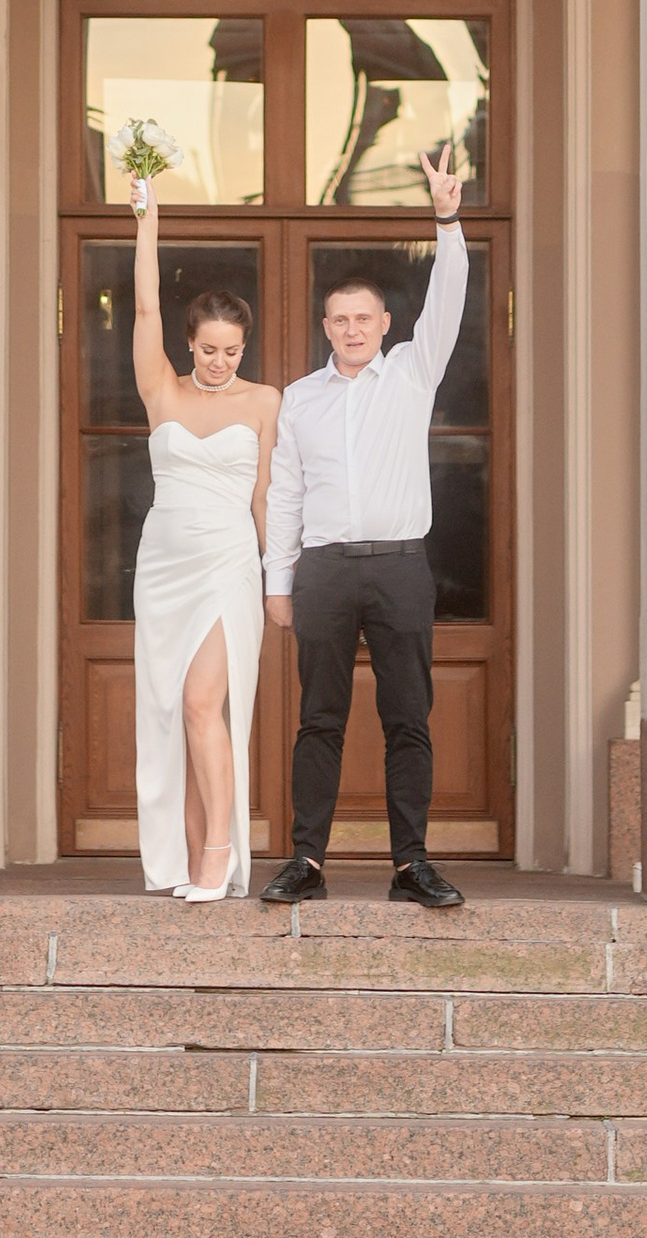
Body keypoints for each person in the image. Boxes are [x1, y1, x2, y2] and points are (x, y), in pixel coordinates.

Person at [260, 140, 467, 908]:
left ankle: (410, 862)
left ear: (386, 322)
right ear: (326, 324)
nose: (351, 327)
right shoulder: (301, 397)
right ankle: (306, 860)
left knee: (408, 717)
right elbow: (284, 491)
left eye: (363, 317)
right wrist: (277, 582)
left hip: (400, 567)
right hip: (323, 570)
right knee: (319, 720)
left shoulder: (413, 372)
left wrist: (447, 217)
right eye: (339, 318)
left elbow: (449, 296)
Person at [128, 175, 278, 900]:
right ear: (190, 342)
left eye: (232, 350)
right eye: (210, 348)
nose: (220, 362)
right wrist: (146, 217)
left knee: (200, 702)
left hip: (226, 566)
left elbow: (265, 498)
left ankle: (220, 851)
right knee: (172, 714)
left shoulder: (264, 401)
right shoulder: (161, 387)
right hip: (163, 565)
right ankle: (192, 864)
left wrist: (278, 579)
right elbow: (147, 301)